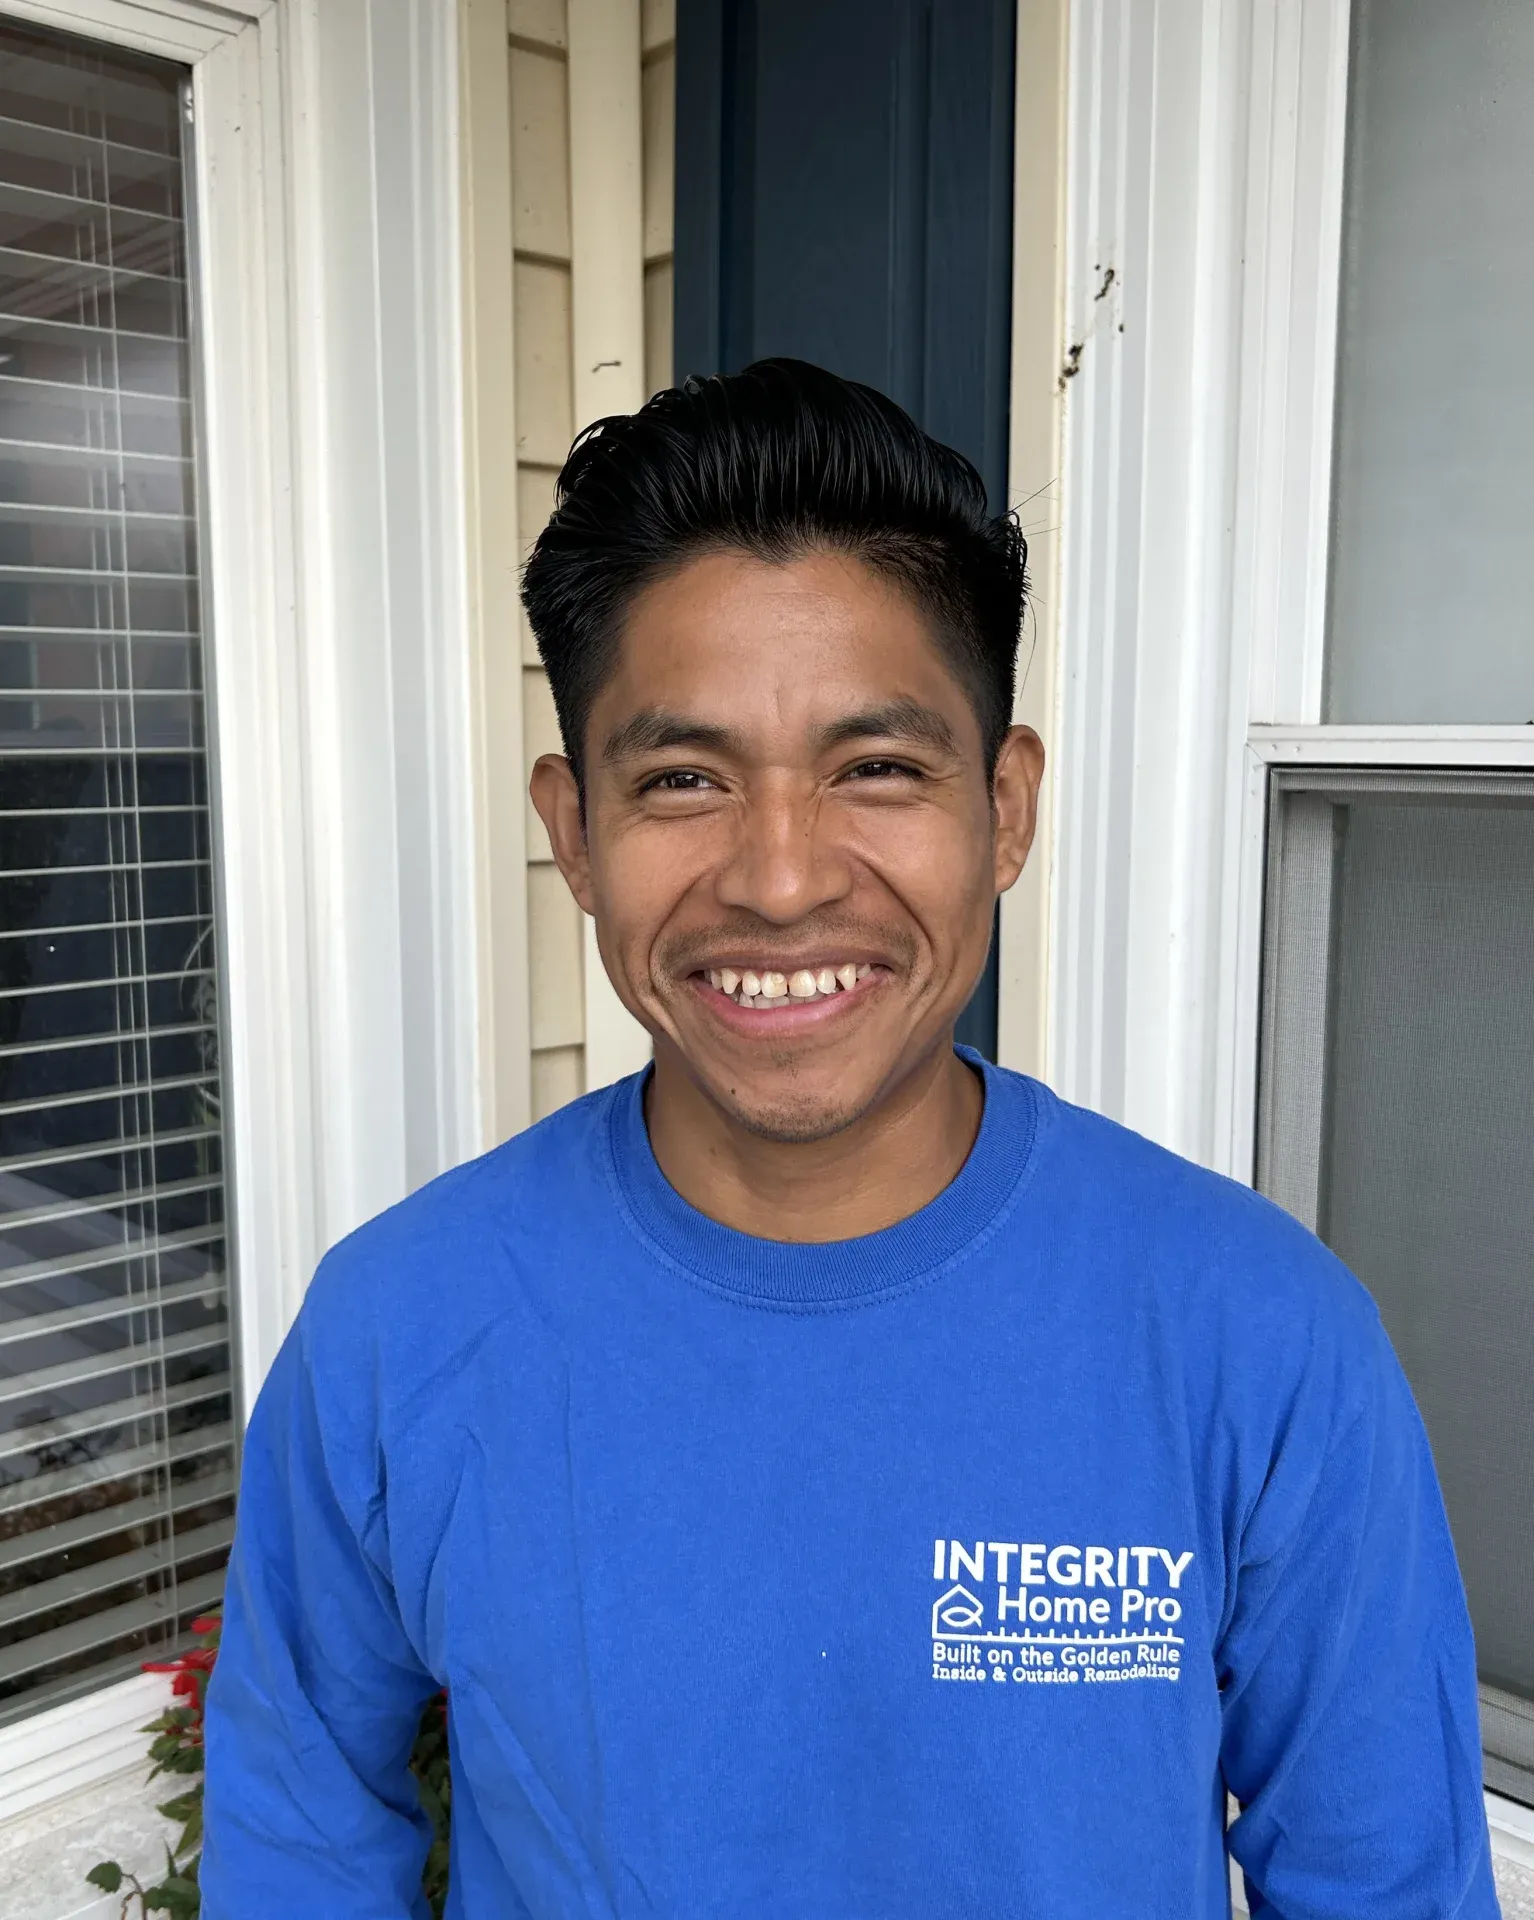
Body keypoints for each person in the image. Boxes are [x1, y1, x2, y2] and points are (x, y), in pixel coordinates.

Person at [202, 360, 1496, 1917]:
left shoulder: (1253, 1336)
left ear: (1004, 809)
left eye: (875, 769)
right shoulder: (400, 1328)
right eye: (681, 777)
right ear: (574, 834)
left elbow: (1385, 1886)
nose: (780, 877)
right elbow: (298, 1846)